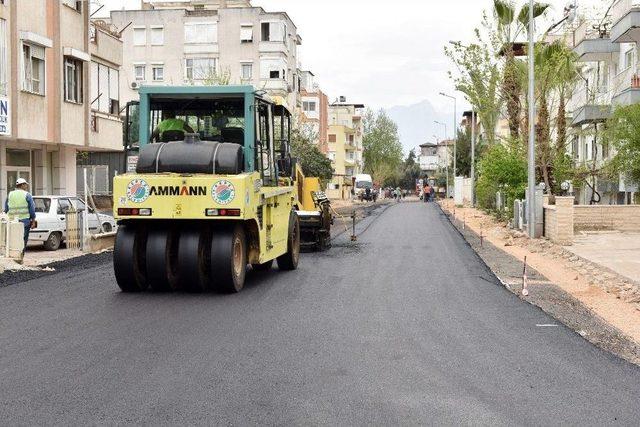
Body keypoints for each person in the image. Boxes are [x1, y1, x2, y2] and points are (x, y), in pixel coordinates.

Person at [4, 178, 36, 258]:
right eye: (25, 184)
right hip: (24, 221)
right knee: (23, 240)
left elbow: (6, 209)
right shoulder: (27, 195)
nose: (26, 186)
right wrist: (33, 221)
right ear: (22, 185)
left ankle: (13, 256)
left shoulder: (10, 194)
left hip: (12, 222)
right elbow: (32, 210)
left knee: (13, 240)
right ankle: (20, 257)